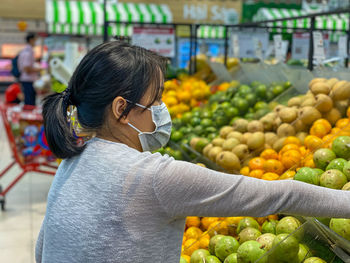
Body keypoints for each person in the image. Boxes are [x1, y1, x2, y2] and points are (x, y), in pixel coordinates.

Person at [36, 42, 350, 263]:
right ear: (122, 109)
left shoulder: (73, 160)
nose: (162, 109)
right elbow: (280, 195)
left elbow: (44, 249)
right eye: (156, 100)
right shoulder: (153, 178)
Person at [18, 32, 41, 106]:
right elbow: (26, 69)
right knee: (29, 103)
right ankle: (27, 117)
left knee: (29, 101)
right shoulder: (28, 52)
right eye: (36, 39)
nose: (37, 41)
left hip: (27, 80)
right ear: (31, 40)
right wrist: (38, 69)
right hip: (28, 81)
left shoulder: (26, 51)